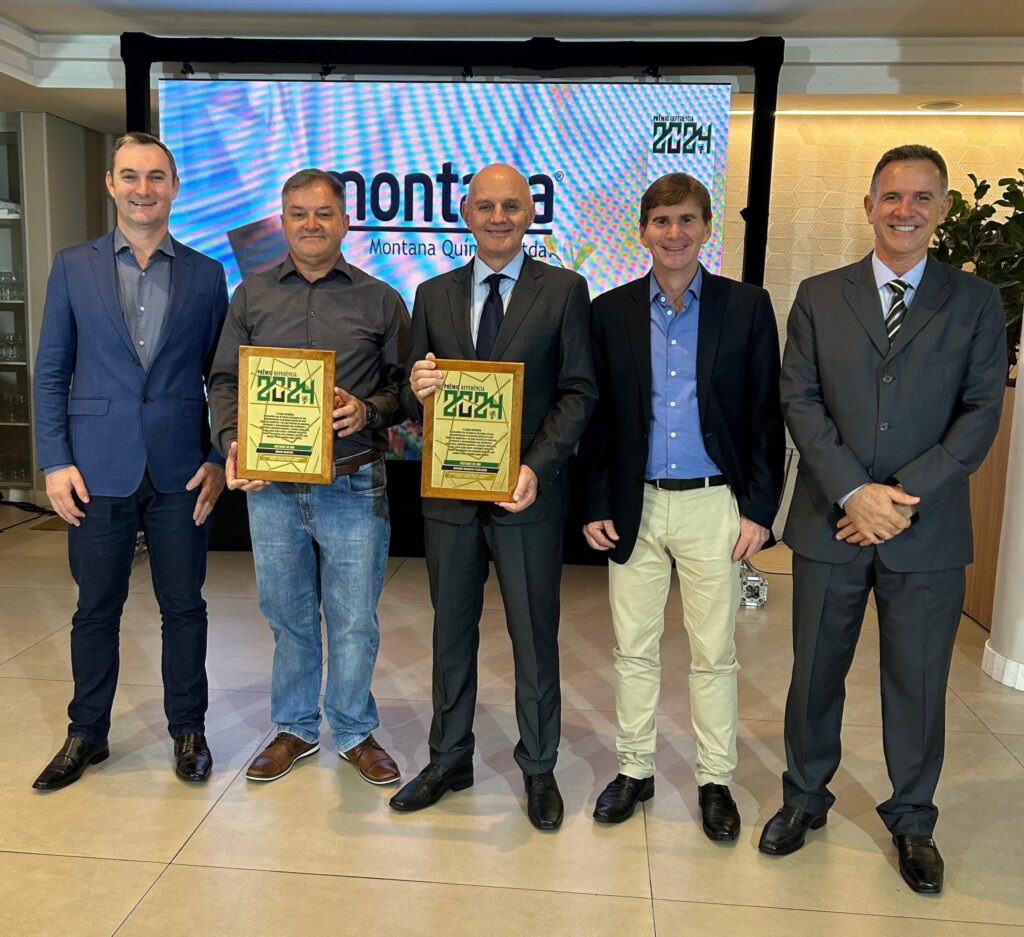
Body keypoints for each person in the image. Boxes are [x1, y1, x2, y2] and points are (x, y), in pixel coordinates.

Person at [761, 144, 1006, 894]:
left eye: (922, 197)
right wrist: (852, 493)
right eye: (892, 196)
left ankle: (913, 820)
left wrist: (896, 496)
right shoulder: (818, 295)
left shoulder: (975, 301)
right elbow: (800, 400)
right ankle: (805, 797)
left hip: (924, 530)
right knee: (814, 674)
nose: (905, 210)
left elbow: (980, 413)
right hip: (830, 523)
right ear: (869, 206)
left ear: (942, 209)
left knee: (919, 681)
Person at [389, 163, 597, 830]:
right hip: (449, 499)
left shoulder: (564, 290)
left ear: (530, 213)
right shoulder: (432, 293)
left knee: (534, 637)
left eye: (511, 206)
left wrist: (536, 465)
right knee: (450, 634)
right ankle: (449, 758)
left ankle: (539, 766)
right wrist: (416, 388)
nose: (499, 217)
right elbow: (411, 398)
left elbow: (579, 391)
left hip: (527, 496)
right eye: (486, 206)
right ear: (466, 214)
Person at [578, 172, 784, 838]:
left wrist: (759, 510)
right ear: (643, 230)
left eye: (687, 219)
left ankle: (715, 779)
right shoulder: (609, 312)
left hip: (713, 504)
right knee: (633, 649)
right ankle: (634, 770)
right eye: (661, 220)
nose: (674, 233)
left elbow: (765, 413)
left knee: (714, 652)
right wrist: (596, 500)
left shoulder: (745, 306)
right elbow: (599, 418)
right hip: (634, 504)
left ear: (706, 227)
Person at [32, 132, 228, 790]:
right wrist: (54, 461)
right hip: (94, 469)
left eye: (156, 176)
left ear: (174, 187)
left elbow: (221, 377)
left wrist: (217, 456)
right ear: (111, 184)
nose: (143, 188)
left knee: (185, 607)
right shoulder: (72, 266)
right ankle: (86, 733)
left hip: (180, 470)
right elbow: (51, 370)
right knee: (95, 608)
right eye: (130, 176)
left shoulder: (206, 274)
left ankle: (189, 729)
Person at [208, 169, 409, 786]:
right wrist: (233, 441)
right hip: (271, 489)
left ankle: (353, 731)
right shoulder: (251, 296)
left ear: (345, 221)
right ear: (284, 221)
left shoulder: (381, 299)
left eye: (324, 213)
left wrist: (368, 411)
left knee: (353, 619)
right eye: (299, 213)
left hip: (353, 483)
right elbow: (224, 381)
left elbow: (406, 389)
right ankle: (294, 728)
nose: (311, 224)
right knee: (287, 614)